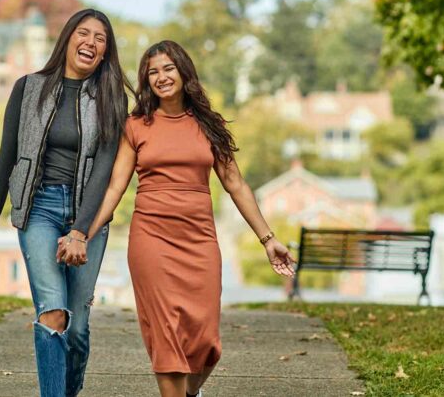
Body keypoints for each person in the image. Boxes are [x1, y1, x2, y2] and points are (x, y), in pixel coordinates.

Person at [78, 40, 296, 397]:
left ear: (183, 71)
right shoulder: (136, 126)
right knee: (166, 336)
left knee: (207, 343)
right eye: (153, 72)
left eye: (168, 68)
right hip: (151, 239)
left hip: (199, 240)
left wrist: (268, 239)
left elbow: (235, 183)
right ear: (146, 81)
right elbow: (116, 187)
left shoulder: (209, 125)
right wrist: (84, 232)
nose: (161, 77)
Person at [0, 8, 131, 397]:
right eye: (84, 33)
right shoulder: (28, 88)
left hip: (88, 215)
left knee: (76, 328)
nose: (91, 42)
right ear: (67, 38)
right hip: (38, 208)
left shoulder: (111, 98)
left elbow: (105, 170)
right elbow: (7, 156)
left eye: (100, 38)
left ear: (106, 51)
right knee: (53, 314)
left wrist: (80, 230)